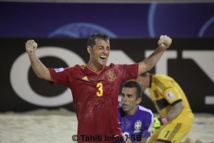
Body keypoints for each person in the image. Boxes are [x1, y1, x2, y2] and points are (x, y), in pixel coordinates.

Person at [25, 33, 172, 143]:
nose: (105, 52)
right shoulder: (74, 73)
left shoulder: (116, 71)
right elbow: (43, 73)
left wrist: (162, 48)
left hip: (114, 137)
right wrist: (31, 54)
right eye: (100, 48)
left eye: (107, 48)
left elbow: (146, 65)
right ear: (90, 49)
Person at [137, 72, 194, 143]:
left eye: (134, 84)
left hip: (180, 119)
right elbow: (165, 112)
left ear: (138, 78)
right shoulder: (151, 88)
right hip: (168, 121)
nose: (135, 89)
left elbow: (179, 106)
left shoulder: (162, 82)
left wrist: (162, 121)